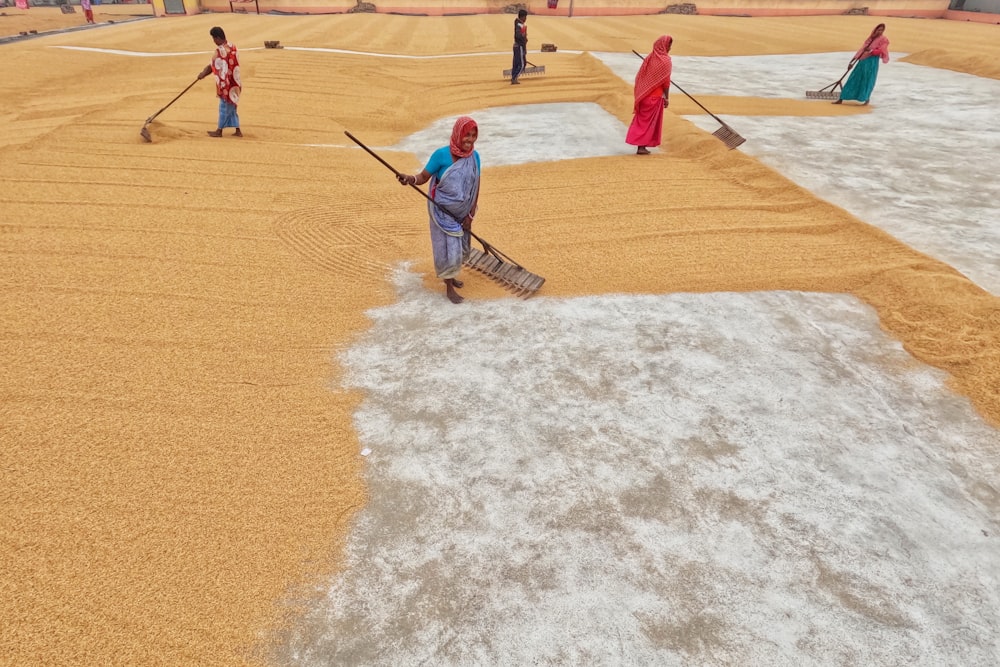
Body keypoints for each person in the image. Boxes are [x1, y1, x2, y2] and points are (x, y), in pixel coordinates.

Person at [397, 117, 481, 304]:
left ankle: (451, 277)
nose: (470, 139)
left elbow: (476, 185)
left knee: (458, 248)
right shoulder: (441, 155)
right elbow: (423, 177)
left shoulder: (475, 157)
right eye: (467, 134)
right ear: (458, 134)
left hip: (463, 212)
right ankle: (449, 287)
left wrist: (470, 215)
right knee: (448, 248)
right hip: (442, 212)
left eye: (473, 135)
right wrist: (409, 178)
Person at [626, 35, 672, 155]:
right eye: (669, 45)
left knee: (641, 121)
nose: (670, 48)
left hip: (644, 95)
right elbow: (666, 83)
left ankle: (640, 146)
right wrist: (667, 97)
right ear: (665, 46)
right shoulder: (666, 61)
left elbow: (641, 76)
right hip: (654, 98)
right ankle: (641, 147)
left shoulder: (650, 58)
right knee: (648, 124)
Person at [197, 26, 242, 137]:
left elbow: (213, 66)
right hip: (235, 83)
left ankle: (219, 131)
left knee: (223, 107)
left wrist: (202, 74)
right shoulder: (232, 46)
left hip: (226, 85)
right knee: (232, 107)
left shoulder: (220, 51)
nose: (213, 41)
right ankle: (238, 130)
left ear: (217, 38)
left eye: (213, 38)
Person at [834, 24, 890, 106]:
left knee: (867, 80)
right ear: (875, 30)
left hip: (872, 62)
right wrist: (853, 60)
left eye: (881, 30)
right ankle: (841, 98)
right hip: (862, 61)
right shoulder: (871, 38)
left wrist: (871, 51)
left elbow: (881, 51)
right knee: (853, 78)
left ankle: (866, 99)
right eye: (878, 29)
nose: (879, 31)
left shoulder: (884, 40)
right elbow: (862, 49)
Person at [511, 10, 528, 85]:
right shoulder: (520, 25)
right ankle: (515, 78)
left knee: (516, 63)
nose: (526, 18)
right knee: (522, 64)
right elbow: (518, 35)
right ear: (522, 17)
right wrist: (523, 36)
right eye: (525, 17)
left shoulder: (518, 24)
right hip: (519, 46)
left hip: (517, 46)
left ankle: (513, 77)